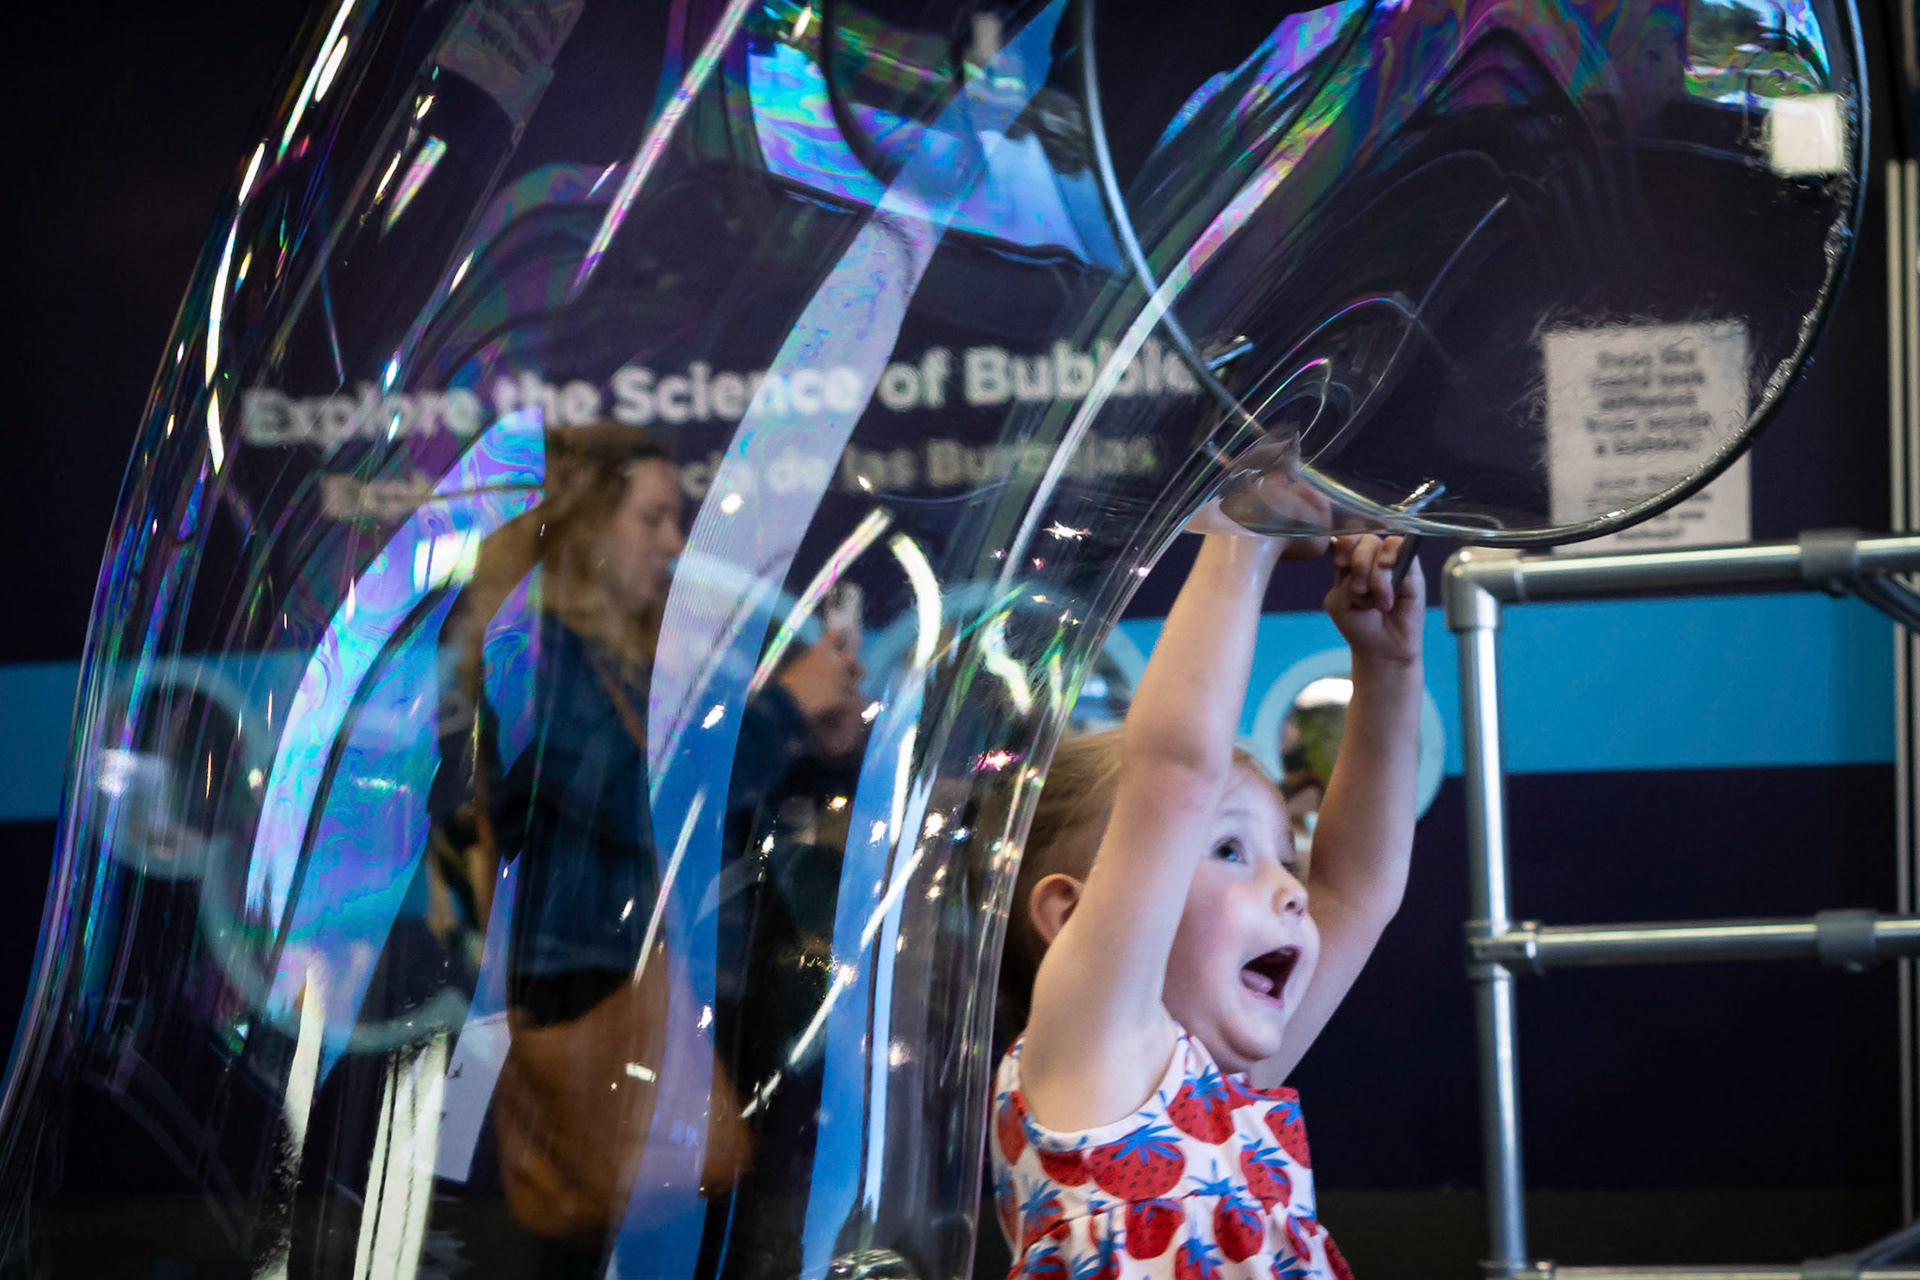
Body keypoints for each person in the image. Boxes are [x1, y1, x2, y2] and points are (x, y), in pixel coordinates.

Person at [990, 518, 1424, 1280]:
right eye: (1229, 849)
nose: (1291, 892)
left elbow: (1354, 890)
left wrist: (1388, 661)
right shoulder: (1094, 1055)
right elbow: (1174, 777)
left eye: (1286, 858)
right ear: (1070, 917)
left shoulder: (1221, 1089)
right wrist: (1241, 536)